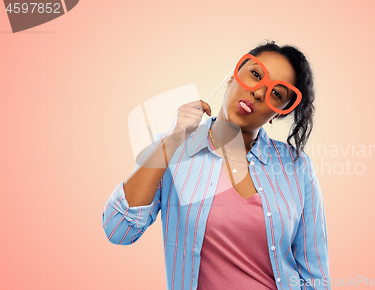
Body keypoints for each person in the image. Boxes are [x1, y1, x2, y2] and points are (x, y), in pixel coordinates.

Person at [102, 40, 331, 290]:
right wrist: (170, 142)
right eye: (255, 75)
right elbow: (118, 229)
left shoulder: (297, 167)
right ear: (233, 75)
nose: (258, 93)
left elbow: (315, 278)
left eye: (276, 94)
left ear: (278, 114)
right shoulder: (174, 151)